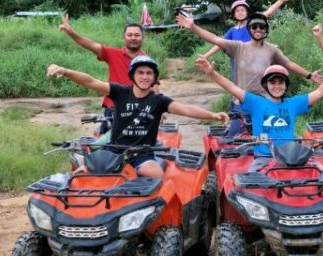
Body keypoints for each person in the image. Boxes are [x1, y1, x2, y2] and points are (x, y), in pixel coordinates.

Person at [46, 55, 228, 178]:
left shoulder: (159, 101)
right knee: (78, 175)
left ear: (154, 77)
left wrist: (213, 115)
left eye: (149, 73)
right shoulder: (119, 92)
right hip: (113, 151)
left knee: (156, 174)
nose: (145, 76)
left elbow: (186, 109)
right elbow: (91, 81)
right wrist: (67, 71)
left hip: (141, 154)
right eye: (140, 72)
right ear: (132, 75)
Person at [176, 11, 323, 135]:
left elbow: (288, 64)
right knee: (236, 141)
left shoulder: (272, 49)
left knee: (266, 140)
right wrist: (193, 27)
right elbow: (215, 39)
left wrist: (309, 75)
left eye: (262, 26)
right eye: (254, 26)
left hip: (264, 103)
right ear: (249, 29)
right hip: (240, 103)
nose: (258, 29)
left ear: (266, 30)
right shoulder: (238, 47)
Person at [195, 45, 323, 159]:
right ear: (266, 85)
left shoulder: (293, 104)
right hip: (263, 158)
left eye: (281, 82)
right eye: (272, 82)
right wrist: (212, 73)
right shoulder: (256, 103)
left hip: (289, 157)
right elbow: (232, 87)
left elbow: (321, 91)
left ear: (286, 85)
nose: (277, 86)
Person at [58, 13, 145, 134]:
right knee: (106, 145)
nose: (133, 38)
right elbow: (91, 45)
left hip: (139, 109)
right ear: (124, 37)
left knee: (138, 146)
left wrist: (159, 109)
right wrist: (71, 33)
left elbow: (154, 86)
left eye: (137, 35)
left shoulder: (147, 61)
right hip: (113, 109)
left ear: (142, 38)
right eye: (129, 35)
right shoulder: (113, 54)